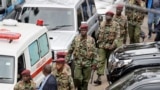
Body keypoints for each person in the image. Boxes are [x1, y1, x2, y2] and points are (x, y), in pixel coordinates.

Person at [65, 23, 97, 90]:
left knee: (85, 81)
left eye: (84, 30)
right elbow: (70, 50)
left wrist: (94, 63)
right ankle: (79, 87)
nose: (83, 31)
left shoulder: (91, 40)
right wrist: (66, 60)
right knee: (77, 78)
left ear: (87, 30)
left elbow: (95, 53)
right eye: (81, 30)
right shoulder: (76, 39)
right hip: (78, 62)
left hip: (87, 63)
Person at [94, 11, 120, 85]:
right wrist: (98, 42)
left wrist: (113, 45)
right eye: (106, 15)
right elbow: (98, 34)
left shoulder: (116, 25)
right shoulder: (102, 24)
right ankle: (99, 78)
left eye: (108, 16)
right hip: (102, 46)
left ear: (111, 17)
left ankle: (110, 76)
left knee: (110, 63)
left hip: (111, 47)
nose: (107, 17)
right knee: (100, 61)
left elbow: (117, 37)